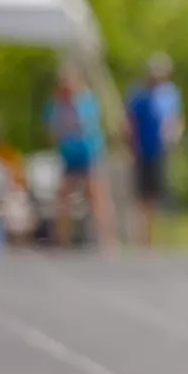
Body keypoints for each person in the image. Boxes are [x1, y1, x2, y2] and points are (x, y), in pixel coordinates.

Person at [45, 66, 117, 252]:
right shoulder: (55, 105)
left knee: (97, 196)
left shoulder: (86, 101)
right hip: (69, 155)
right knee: (63, 196)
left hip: (89, 153)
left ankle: (107, 239)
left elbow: (90, 125)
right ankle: (61, 238)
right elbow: (52, 130)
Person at [124, 52, 184, 247]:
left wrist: (174, 134)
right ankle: (142, 237)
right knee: (142, 195)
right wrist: (130, 145)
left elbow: (176, 119)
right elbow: (130, 123)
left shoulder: (170, 94)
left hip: (159, 151)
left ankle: (150, 237)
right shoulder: (139, 95)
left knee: (154, 195)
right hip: (142, 150)